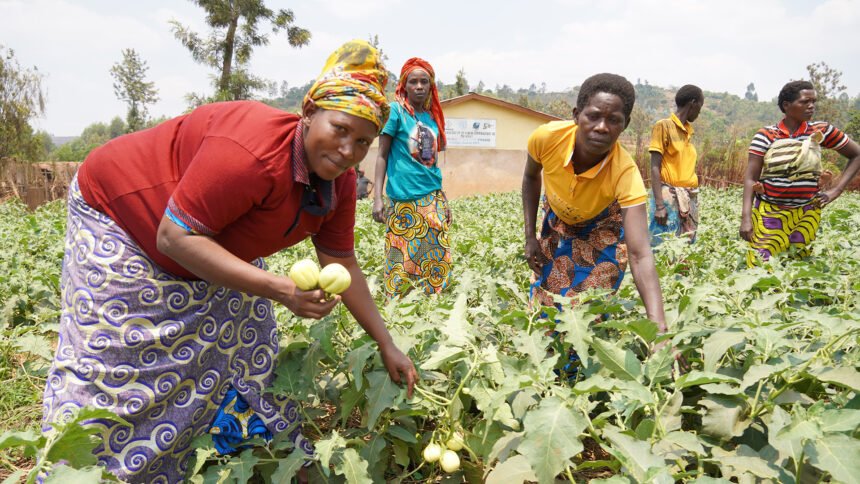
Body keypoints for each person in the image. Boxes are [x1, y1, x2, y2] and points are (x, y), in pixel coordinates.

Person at [41, 40, 418, 484]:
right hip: (123, 218)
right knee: (120, 356)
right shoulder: (252, 151)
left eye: (363, 141)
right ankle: (77, 470)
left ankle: (243, 454)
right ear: (309, 112)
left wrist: (386, 342)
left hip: (207, 235)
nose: (348, 150)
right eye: (339, 129)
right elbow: (174, 237)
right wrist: (279, 289)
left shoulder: (341, 183)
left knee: (248, 345)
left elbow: (342, 261)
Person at [522, 73, 666, 329]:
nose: (602, 126)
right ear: (577, 114)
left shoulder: (625, 173)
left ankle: (578, 368)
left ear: (626, 124)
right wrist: (530, 237)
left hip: (603, 229)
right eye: (594, 116)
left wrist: (660, 330)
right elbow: (531, 177)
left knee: (586, 313)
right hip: (557, 218)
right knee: (547, 306)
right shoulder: (546, 138)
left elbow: (640, 254)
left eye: (613, 120)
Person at [740, 80, 860, 266]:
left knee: (798, 271)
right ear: (787, 106)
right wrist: (746, 218)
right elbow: (750, 178)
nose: (811, 106)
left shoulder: (821, 131)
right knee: (760, 270)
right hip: (770, 213)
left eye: (813, 101)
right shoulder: (766, 135)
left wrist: (836, 190)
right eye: (805, 102)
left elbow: (856, 154)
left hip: (806, 214)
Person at [372, 57, 452, 297]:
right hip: (403, 202)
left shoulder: (432, 118)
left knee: (436, 261)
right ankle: (398, 318)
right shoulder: (396, 111)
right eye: (413, 81)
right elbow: (382, 155)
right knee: (400, 264)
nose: (419, 86)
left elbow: (431, 165)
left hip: (431, 200)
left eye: (424, 82)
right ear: (404, 85)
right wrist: (377, 197)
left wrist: (443, 198)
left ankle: (432, 312)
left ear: (430, 86)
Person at [648, 85, 704, 245]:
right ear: (693, 103)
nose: (700, 111)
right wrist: (659, 206)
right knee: (663, 248)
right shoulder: (663, 126)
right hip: (668, 199)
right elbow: (654, 167)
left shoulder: (687, 131)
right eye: (700, 105)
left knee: (685, 251)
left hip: (688, 198)